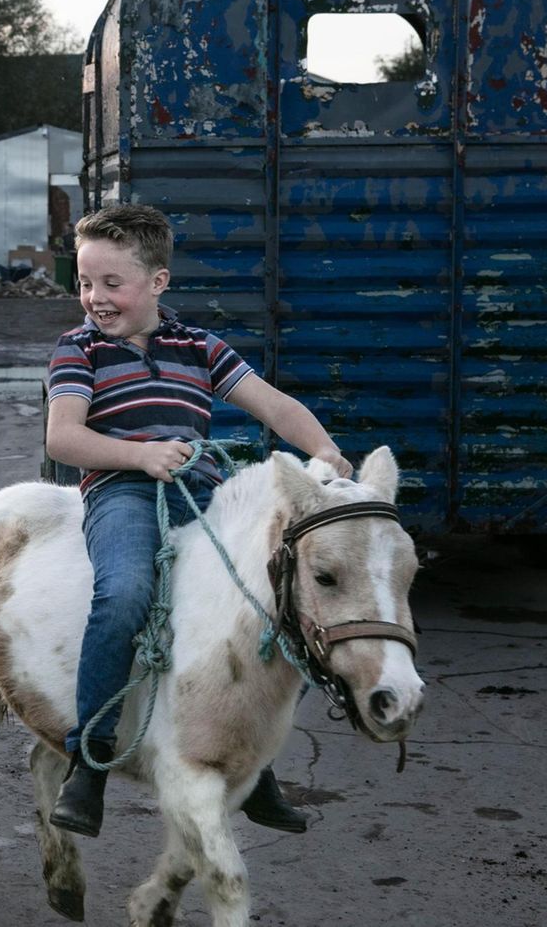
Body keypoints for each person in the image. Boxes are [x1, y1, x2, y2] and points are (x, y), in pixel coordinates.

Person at [44, 203, 354, 839]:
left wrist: (325, 451)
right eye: (84, 282)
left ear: (158, 281)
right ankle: (90, 759)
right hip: (122, 492)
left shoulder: (199, 346)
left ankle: (255, 765)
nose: (94, 298)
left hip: (202, 493)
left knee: (276, 595)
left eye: (111, 283)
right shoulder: (79, 350)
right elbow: (63, 438)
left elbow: (274, 405)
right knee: (124, 594)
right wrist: (140, 455)